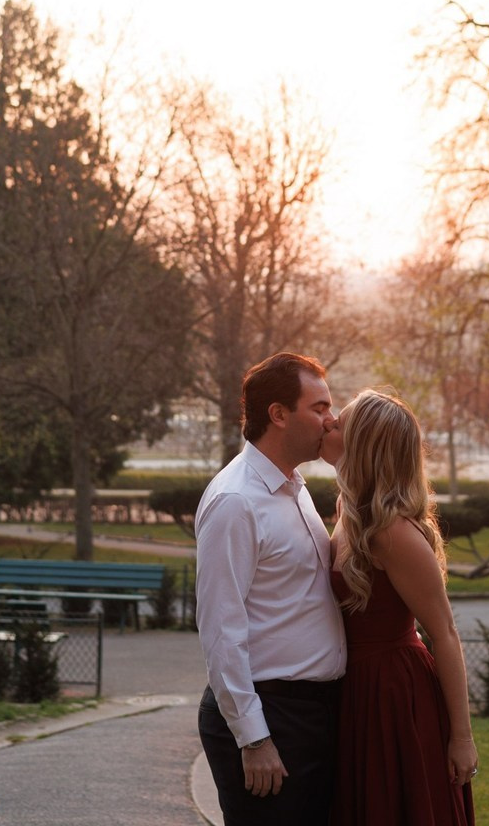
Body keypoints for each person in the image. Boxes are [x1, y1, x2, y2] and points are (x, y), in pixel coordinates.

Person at [195, 351, 347, 825]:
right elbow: (221, 628)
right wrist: (254, 738)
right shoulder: (236, 501)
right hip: (272, 716)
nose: (331, 419)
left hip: (314, 714)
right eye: (319, 408)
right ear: (278, 414)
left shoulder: (294, 487)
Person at [322, 388, 477, 826]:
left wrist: (462, 738)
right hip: (357, 688)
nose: (328, 423)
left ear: (363, 445)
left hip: (395, 695)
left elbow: (444, 633)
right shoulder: (349, 510)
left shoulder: (392, 533)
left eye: (339, 423)